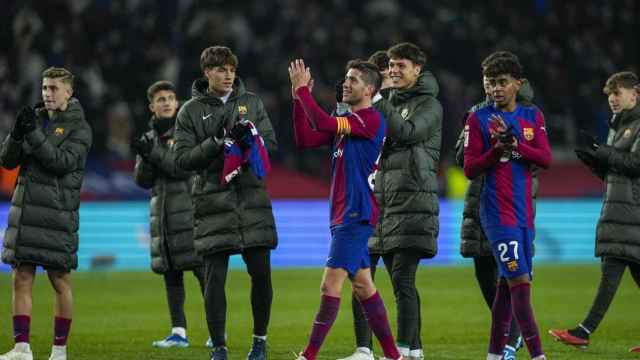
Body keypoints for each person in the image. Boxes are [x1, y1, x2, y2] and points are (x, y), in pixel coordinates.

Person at [289, 58, 402, 360]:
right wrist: (297, 100)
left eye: (352, 80)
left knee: (330, 284)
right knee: (364, 287)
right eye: (345, 78)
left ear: (368, 89)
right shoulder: (347, 124)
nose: (346, 83)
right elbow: (306, 138)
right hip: (343, 213)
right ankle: (394, 356)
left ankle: (308, 355)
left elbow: (322, 123)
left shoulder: (370, 120)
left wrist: (303, 92)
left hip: (355, 212)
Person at [173, 46, 277, 360]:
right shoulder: (189, 111)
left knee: (261, 274)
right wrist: (217, 143)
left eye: (231, 69)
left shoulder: (252, 103)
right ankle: (219, 347)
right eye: (221, 69)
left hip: (251, 199)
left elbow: (271, 144)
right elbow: (182, 160)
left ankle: (259, 342)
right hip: (212, 202)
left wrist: (251, 141)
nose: (228, 75)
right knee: (214, 279)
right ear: (207, 72)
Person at [341, 42, 442, 360]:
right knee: (360, 278)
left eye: (402, 65)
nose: (395, 70)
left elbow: (407, 133)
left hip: (411, 200)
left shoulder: (429, 105)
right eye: (391, 65)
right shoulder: (379, 103)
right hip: (376, 200)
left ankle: (404, 348)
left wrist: (377, 100)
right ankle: (366, 349)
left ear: (417, 70)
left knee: (402, 278)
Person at [0, 67, 92, 360]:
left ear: (69, 92)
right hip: (26, 211)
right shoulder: (35, 121)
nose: (47, 94)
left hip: (56, 213)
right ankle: (22, 348)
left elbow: (60, 162)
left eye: (54, 89)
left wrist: (33, 135)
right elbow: (7, 160)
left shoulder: (81, 129)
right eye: (44, 88)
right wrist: (16, 134)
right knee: (21, 277)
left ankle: (59, 350)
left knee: (60, 281)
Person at [463, 53, 551, 360]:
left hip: (524, 213)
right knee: (520, 284)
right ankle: (538, 355)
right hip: (497, 214)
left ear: (518, 84)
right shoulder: (478, 118)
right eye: (490, 83)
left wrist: (516, 147)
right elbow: (470, 168)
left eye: (502, 82)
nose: (495, 89)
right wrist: (495, 150)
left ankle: (494, 354)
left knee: (504, 287)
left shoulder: (532, 116)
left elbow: (545, 159)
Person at [549, 71, 640, 354]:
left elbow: (636, 165)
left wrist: (603, 152)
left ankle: (584, 330)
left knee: (611, 268)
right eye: (610, 94)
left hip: (632, 211)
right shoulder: (619, 126)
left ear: (635, 94)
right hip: (621, 210)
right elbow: (617, 172)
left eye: (618, 92)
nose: (612, 98)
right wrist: (594, 161)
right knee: (620, 267)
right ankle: (583, 331)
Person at [132, 80, 207, 348]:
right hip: (162, 219)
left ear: (177, 103)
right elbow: (142, 180)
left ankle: (215, 332)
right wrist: (145, 156)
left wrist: (151, 154)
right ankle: (179, 333)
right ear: (151, 106)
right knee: (171, 276)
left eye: (170, 98)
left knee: (203, 274)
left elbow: (182, 167)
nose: (166, 103)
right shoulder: (149, 138)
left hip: (189, 215)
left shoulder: (187, 132)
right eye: (160, 99)